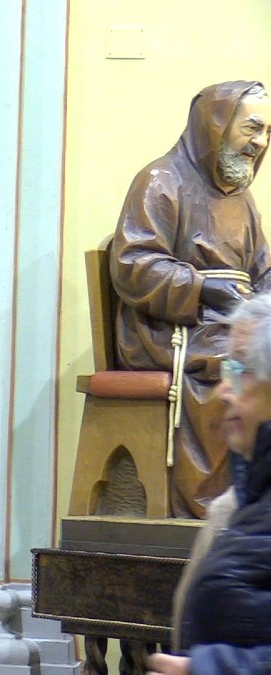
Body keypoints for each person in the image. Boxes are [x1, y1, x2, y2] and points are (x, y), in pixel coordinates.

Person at [111, 80, 271, 518]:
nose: (260, 142)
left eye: (267, 132)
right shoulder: (162, 180)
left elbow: (262, 268)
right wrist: (201, 289)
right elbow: (132, 263)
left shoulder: (241, 198)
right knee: (236, 362)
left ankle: (258, 500)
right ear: (215, 125)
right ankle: (209, 507)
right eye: (252, 128)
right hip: (171, 329)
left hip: (225, 321)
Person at [147, 293, 271, 675]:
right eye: (227, 369)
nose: (222, 390)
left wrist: (209, 668)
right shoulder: (236, 506)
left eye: (242, 370)